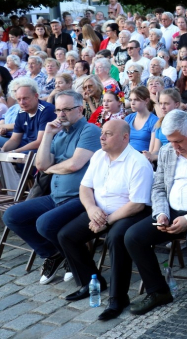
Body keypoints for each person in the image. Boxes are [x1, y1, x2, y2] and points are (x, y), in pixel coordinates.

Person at [122, 110, 187, 331]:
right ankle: (158, 290)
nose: (175, 147)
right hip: (171, 211)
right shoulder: (168, 150)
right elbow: (158, 187)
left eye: (179, 141)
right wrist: (161, 214)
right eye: (170, 142)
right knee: (133, 236)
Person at [57, 119, 153, 320]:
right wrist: (91, 209)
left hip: (129, 213)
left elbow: (138, 204)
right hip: (99, 211)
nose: (102, 137)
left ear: (125, 137)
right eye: (102, 132)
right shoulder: (99, 156)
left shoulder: (138, 162)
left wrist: (106, 221)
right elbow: (85, 187)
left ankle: (118, 298)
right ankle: (90, 282)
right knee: (66, 236)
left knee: (115, 239)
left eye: (108, 134)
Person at [3, 90, 100, 285]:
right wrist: (47, 134)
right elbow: (40, 165)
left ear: (80, 109)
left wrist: (52, 168)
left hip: (79, 198)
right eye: (57, 110)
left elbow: (75, 164)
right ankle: (56, 254)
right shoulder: (58, 133)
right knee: (12, 216)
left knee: (45, 224)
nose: (61, 114)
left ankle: (73, 259)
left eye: (66, 109)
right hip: (55, 195)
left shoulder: (90, 130)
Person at [124, 86, 158, 153]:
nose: (132, 103)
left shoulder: (154, 120)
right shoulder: (128, 118)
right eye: (130, 100)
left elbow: (152, 150)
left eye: (136, 100)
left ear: (146, 101)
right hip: (128, 155)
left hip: (144, 157)